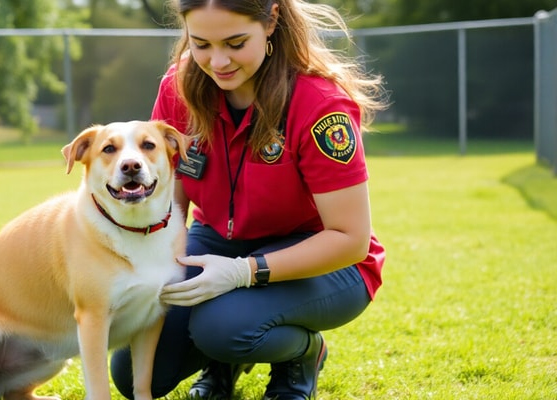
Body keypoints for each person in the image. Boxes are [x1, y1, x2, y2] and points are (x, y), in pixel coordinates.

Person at [110, 0, 387, 399]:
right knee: (137, 371)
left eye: (235, 43)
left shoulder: (321, 105)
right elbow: (173, 201)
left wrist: (243, 271)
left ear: (271, 19)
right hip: (216, 240)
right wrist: (151, 265)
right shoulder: (178, 86)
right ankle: (223, 358)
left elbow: (350, 238)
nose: (217, 61)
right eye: (201, 43)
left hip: (324, 260)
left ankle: (301, 354)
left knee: (223, 328)